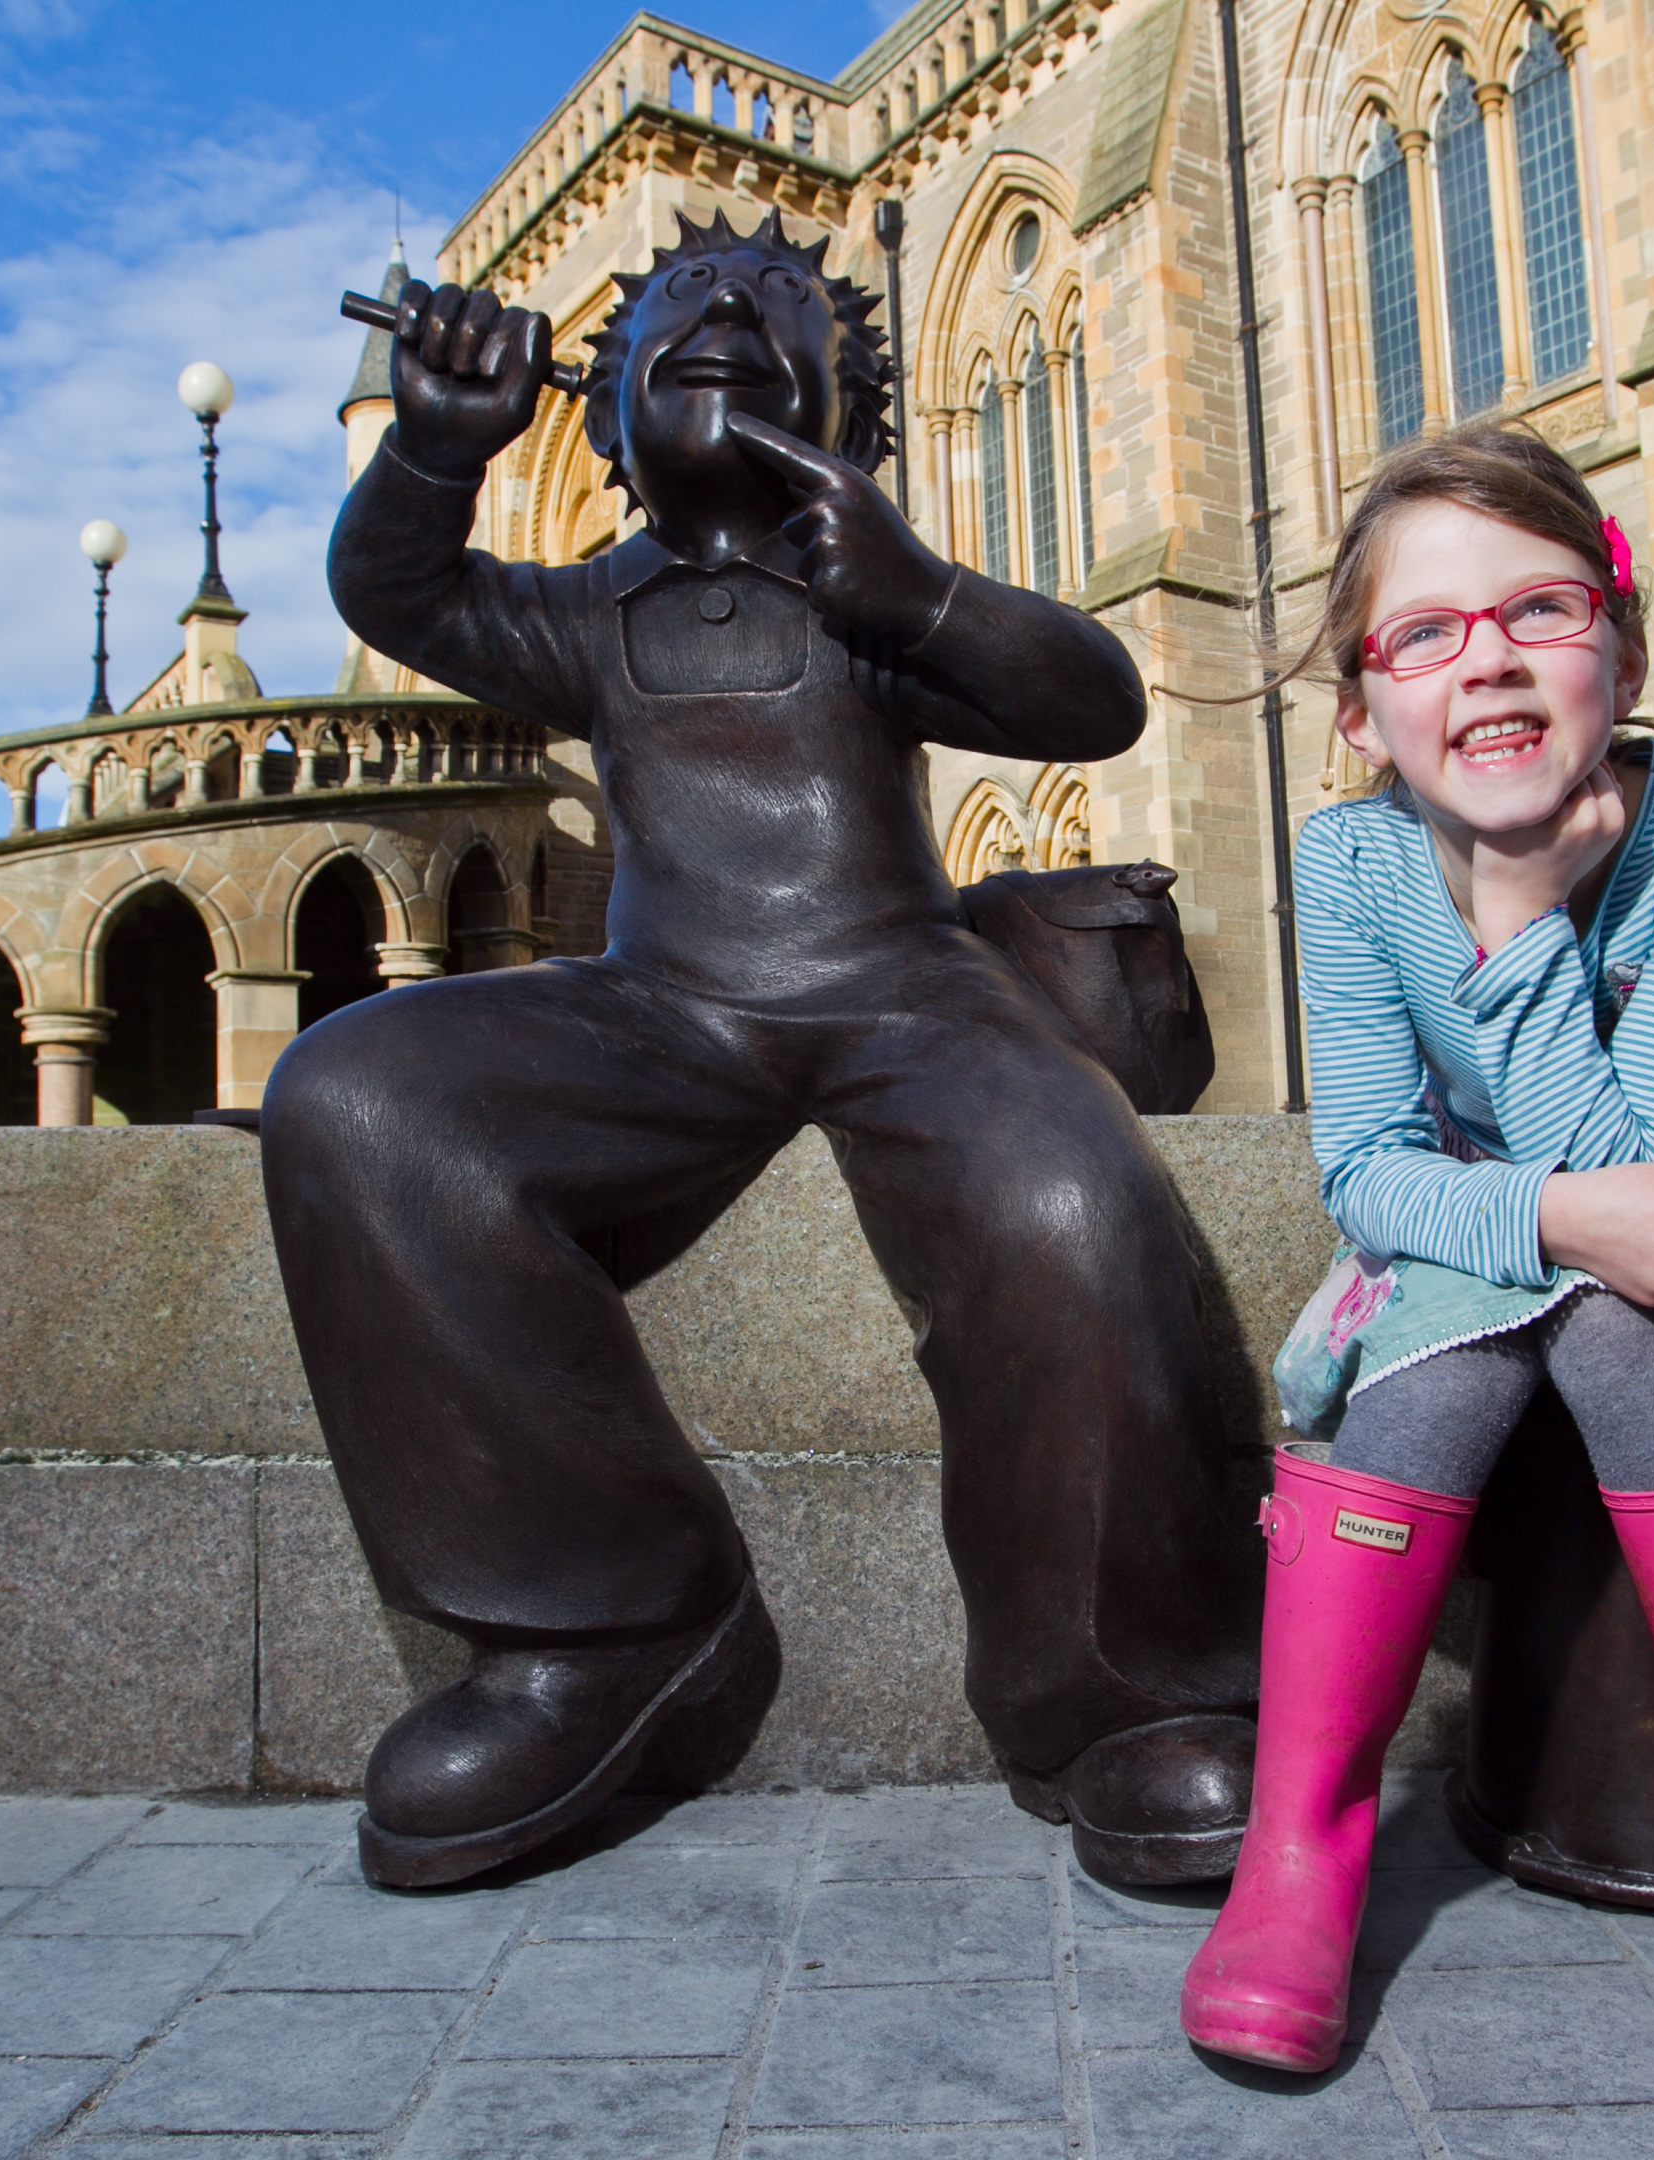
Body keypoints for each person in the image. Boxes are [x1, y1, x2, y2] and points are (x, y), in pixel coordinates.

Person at [260, 211, 1262, 1894]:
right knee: (354, 1093)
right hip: (665, 1010)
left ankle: (1122, 1697)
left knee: (1076, 1203)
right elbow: (400, 593)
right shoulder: (592, 612)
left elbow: (1093, 702)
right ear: (603, 402)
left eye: (776, 304)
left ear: (852, 399)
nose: (724, 308)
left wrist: (921, 594)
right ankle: (602, 1629)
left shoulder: (868, 583)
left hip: (911, 997)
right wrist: (435, 453)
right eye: (679, 308)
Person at [1177, 425, 1654, 2124]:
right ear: (1366, 715)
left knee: (1627, 1318)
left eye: (1542, 608)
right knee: (1460, 1346)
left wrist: (1519, 915)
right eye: (1426, 633)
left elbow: (1653, 1171)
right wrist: (1553, 1208)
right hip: (1462, 1220)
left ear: (1626, 649)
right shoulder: (1355, 859)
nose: (1493, 656)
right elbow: (1368, 1170)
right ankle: (1301, 1853)